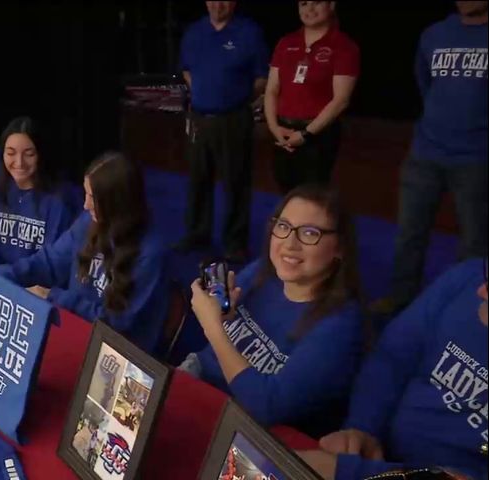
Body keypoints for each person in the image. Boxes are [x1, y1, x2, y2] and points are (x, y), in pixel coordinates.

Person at [179, 184, 365, 434]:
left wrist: (213, 327)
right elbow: (217, 332)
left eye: (309, 233)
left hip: (246, 427)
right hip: (200, 377)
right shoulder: (264, 270)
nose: (289, 244)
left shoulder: (341, 326)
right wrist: (222, 313)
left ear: (340, 248)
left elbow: (266, 406)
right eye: (283, 226)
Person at [298, 258, 488, 480]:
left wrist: (351, 472)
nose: (481, 291)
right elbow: (392, 358)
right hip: (376, 453)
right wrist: (361, 430)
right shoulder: (467, 275)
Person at [371, 2, 488, 317]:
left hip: (477, 158)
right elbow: (425, 84)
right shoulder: (434, 34)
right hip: (426, 152)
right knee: (409, 233)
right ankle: (400, 297)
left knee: (474, 243)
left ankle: (463, 308)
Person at [0, 152, 170, 353]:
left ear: (118, 202)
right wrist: (8, 275)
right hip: (74, 328)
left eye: (93, 198)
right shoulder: (89, 221)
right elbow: (51, 261)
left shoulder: (150, 253)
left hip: (116, 351)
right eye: (86, 194)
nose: (85, 205)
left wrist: (55, 297)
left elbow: (119, 323)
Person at [175, 1, 270, 263]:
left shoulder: (249, 32)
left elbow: (262, 77)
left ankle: (235, 243)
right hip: (199, 117)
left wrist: (232, 97)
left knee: (236, 182)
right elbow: (185, 68)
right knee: (198, 179)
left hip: (234, 118)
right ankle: (197, 233)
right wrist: (204, 91)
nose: (218, 4)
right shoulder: (194, 32)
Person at [264, 1, 360, 193]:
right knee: (285, 192)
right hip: (283, 131)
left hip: (317, 135)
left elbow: (341, 100)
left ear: (331, 5)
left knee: (312, 197)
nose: (309, 10)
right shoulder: (286, 42)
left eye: (316, 3)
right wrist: (275, 128)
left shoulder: (344, 46)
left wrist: (306, 134)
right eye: (303, 4)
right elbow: (272, 89)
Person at [0, 116, 74, 267]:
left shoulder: (57, 201)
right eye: (11, 153)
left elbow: (54, 261)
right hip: (1, 280)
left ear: (40, 155)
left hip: (37, 286)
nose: (19, 162)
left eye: (29, 154)